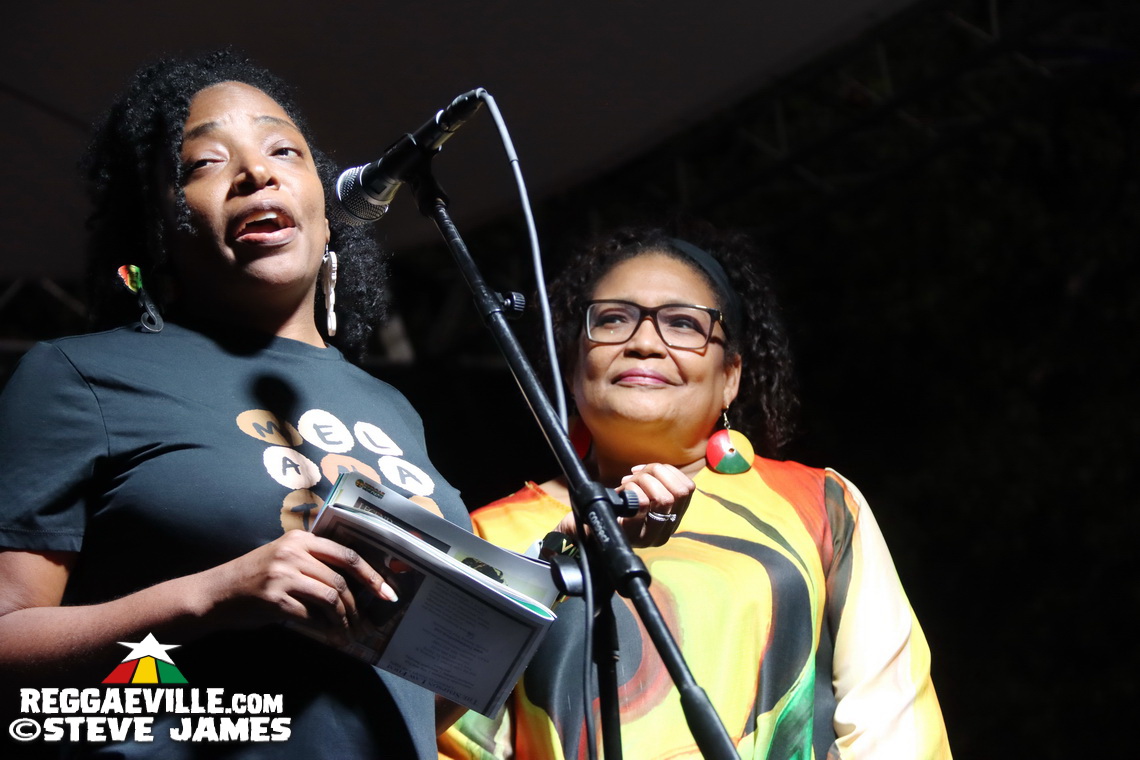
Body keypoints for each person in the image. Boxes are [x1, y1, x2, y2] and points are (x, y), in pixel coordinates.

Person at [0, 49, 461, 759]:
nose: (257, 172)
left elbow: (416, 706)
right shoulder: (80, 377)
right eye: (203, 164)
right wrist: (210, 598)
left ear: (328, 206)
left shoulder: (390, 407)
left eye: (284, 150)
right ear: (157, 225)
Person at [438, 225, 952, 759]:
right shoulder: (492, 533)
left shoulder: (819, 504)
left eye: (683, 324)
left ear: (730, 375)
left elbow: (894, 725)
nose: (643, 342)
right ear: (573, 367)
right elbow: (453, 741)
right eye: (613, 319)